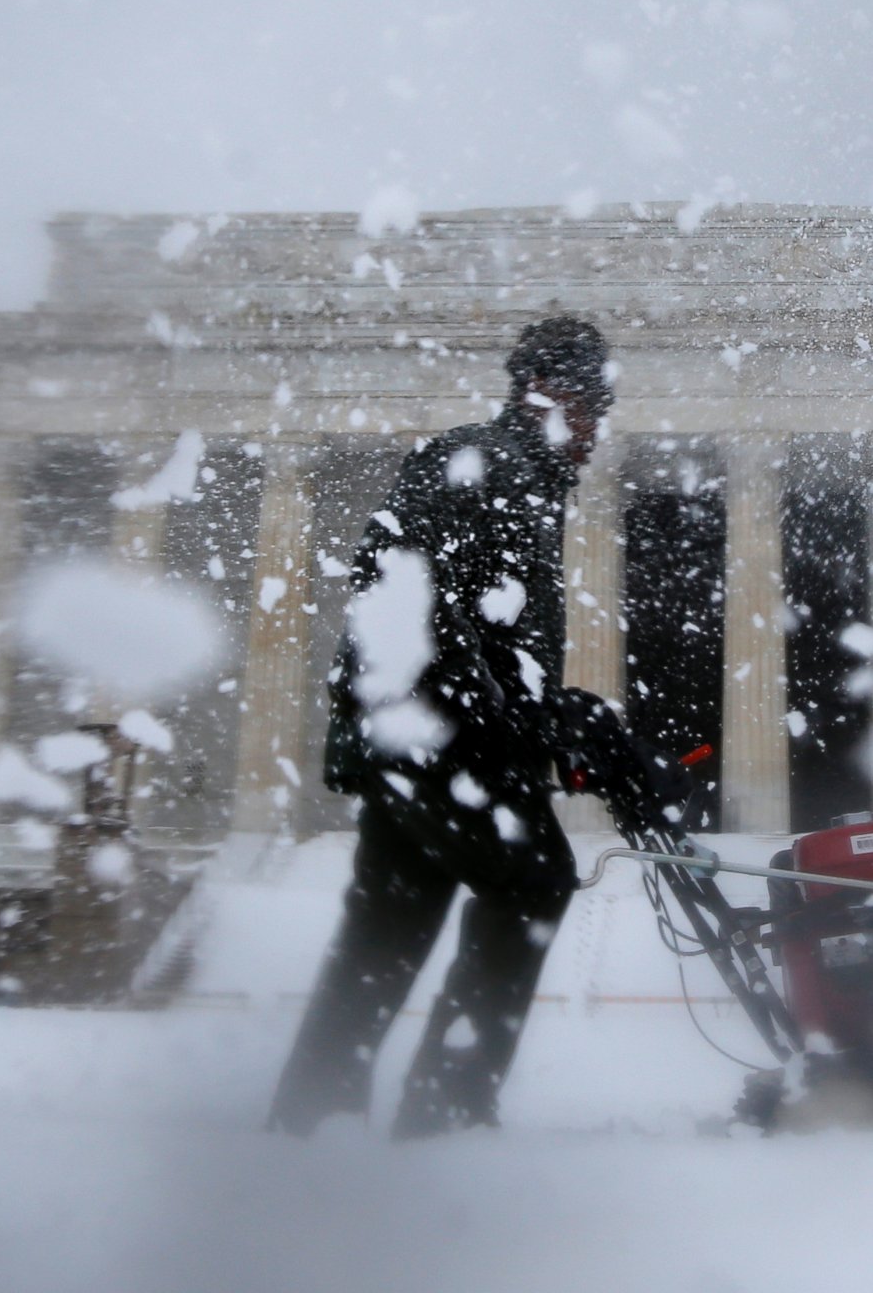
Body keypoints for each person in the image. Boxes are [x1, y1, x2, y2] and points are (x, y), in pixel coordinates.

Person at [266, 315, 615, 1139]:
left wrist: (545, 717)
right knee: (531, 881)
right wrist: (506, 720)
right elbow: (417, 603)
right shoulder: (480, 464)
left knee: (388, 923)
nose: (599, 433)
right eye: (594, 408)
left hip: (422, 740)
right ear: (552, 397)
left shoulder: (516, 478)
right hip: (441, 741)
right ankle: (446, 1111)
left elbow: (489, 635)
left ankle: (312, 1115)